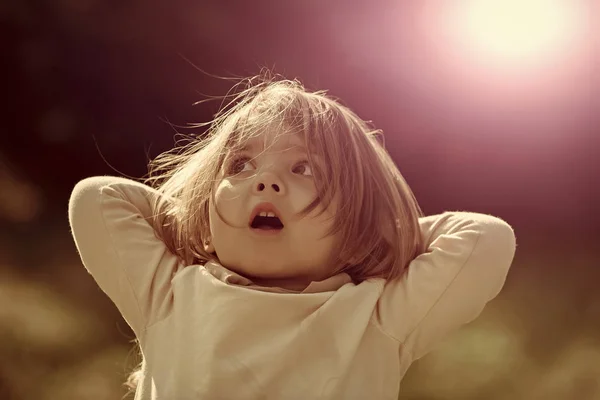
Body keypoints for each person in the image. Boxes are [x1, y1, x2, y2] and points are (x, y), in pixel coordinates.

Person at [68, 75, 517, 400]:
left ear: (356, 228)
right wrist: (198, 219)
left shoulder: (374, 316)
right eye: (240, 166)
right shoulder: (169, 294)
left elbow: (485, 240)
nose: (264, 182)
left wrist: (371, 229)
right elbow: (97, 199)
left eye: (303, 169)